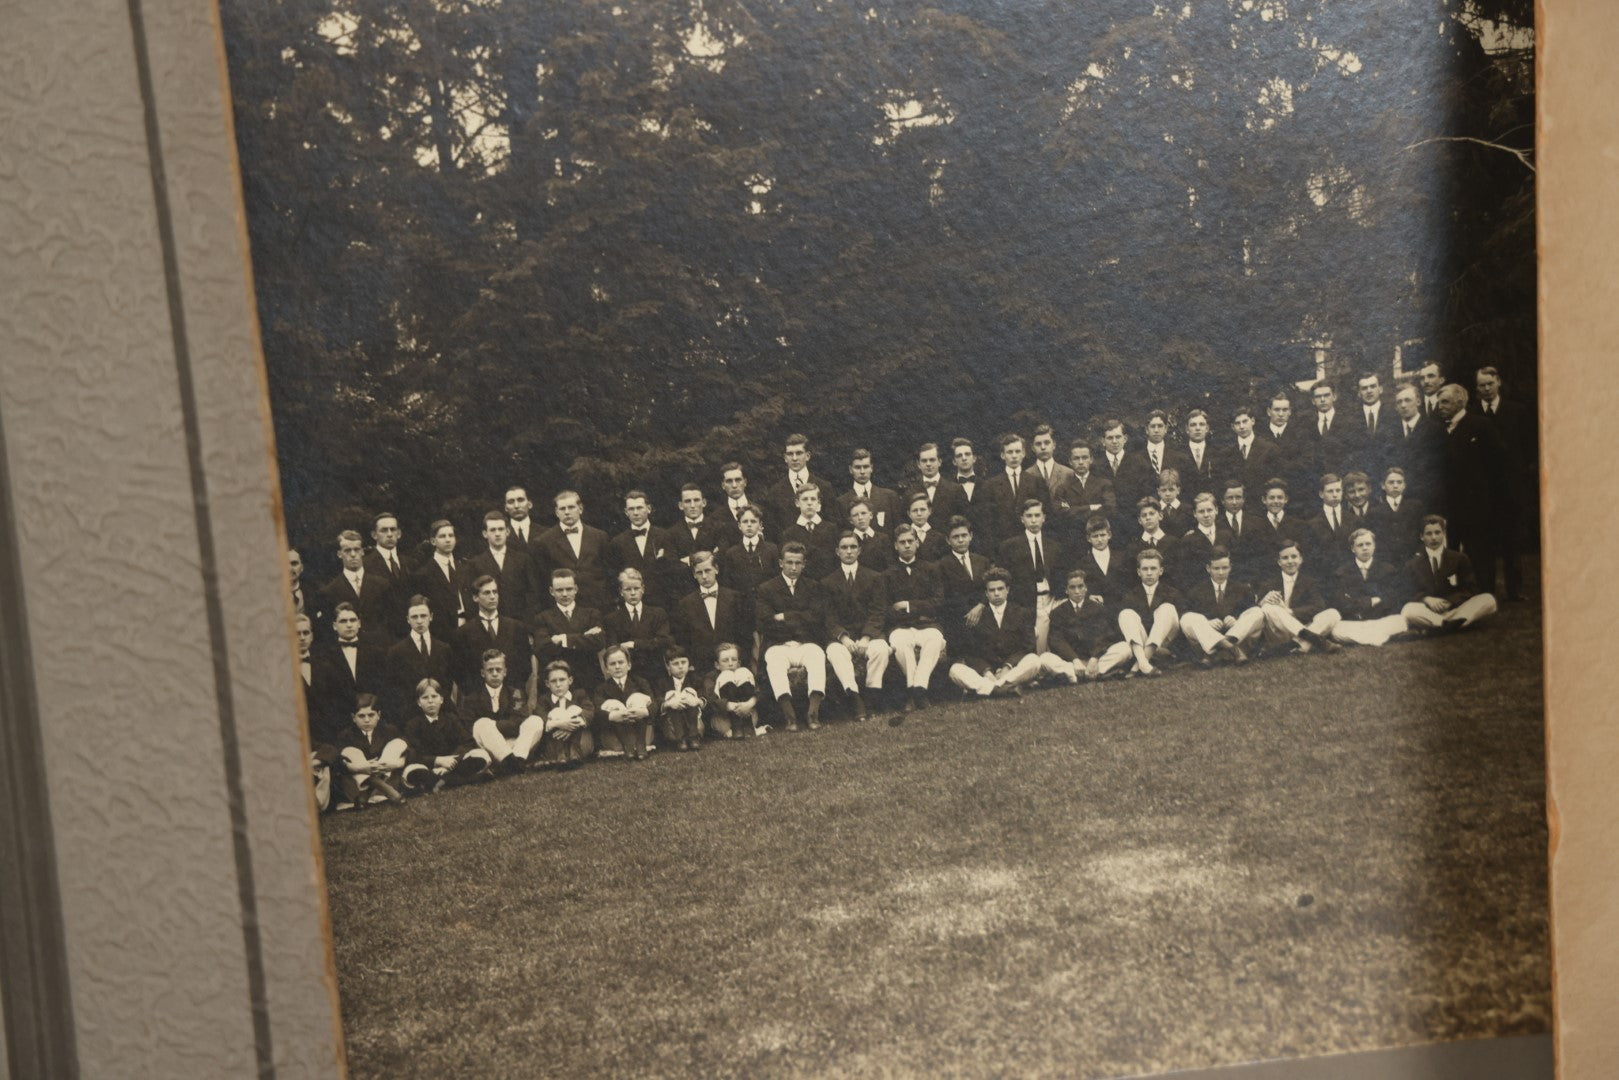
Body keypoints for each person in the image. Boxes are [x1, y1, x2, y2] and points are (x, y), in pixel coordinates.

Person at [1434, 384, 1509, 597]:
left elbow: (1498, 462)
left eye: (1445, 402)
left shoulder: (1481, 425)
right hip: (1450, 504)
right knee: (1453, 551)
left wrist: (1488, 495)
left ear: (1460, 402)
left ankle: (1486, 594)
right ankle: (1459, 594)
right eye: (1439, 402)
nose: (1440, 406)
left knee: (1480, 551)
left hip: (1477, 504)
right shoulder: (1441, 430)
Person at [755, 542, 829, 730]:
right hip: (777, 644)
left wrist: (785, 616)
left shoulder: (813, 586)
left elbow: (817, 618)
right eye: (789, 562)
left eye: (798, 563)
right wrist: (800, 620)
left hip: (806, 642)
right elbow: (765, 623)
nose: (793, 567)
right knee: (774, 662)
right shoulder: (767, 588)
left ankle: (813, 714)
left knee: (817, 656)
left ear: (804, 564)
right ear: (781, 563)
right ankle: (790, 717)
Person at [947, 568, 1052, 697]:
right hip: (987, 673)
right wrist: (986, 671)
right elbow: (970, 652)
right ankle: (1002, 689)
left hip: (1013, 669)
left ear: (1007, 590)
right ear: (986, 593)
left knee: (1034, 660)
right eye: (992, 590)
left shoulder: (1021, 613)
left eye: (1000, 589)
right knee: (955, 670)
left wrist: (1008, 666)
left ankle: (992, 688)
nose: (996, 593)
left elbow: (1029, 647)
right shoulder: (976, 616)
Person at [821, 531, 891, 719]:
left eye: (853, 547)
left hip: (869, 634)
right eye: (844, 547)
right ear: (837, 552)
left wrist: (867, 637)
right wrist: (843, 637)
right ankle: (855, 697)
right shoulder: (828, 582)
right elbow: (829, 616)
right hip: (843, 637)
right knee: (836, 653)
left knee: (881, 650)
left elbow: (878, 611)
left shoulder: (874, 577)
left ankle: (872, 695)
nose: (849, 551)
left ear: (860, 550)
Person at [883, 525, 947, 718]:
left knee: (935, 640)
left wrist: (908, 605)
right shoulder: (888, 574)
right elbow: (887, 609)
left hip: (927, 624)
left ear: (917, 543)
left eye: (910, 541)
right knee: (901, 645)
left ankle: (916, 688)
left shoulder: (931, 569)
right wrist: (917, 609)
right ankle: (917, 692)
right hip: (900, 627)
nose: (907, 545)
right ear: (895, 546)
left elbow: (938, 602)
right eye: (902, 542)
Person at [1400, 515, 1499, 631]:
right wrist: (1426, 599)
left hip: (1455, 608)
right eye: (1429, 534)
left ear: (1444, 534)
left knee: (1488, 600)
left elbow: (1471, 589)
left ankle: (1441, 625)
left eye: (1438, 533)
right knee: (1408, 609)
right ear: (1421, 537)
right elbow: (1405, 593)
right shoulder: (1413, 564)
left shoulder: (1459, 558)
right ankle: (1451, 624)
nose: (1434, 538)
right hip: (1427, 610)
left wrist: (1450, 601)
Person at [312, 602, 387, 744]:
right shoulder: (323, 657)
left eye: (353, 620)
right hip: (339, 726)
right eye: (343, 621)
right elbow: (324, 696)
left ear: (359, 623)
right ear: (334, 626)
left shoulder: (376, 653)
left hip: (371, 724)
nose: (349, 625)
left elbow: (382, 689)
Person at [399, 678, 489, 793]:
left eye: (434, 696)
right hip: (428, 766)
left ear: (441, 699)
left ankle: (441, 782)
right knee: (412, 771)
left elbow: (468, 742)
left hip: (454, 763)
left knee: (481, 755)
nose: (430, 701)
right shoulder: (413, 725)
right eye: (425, 698)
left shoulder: (451, 718)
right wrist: (437, 760)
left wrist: (451, 761)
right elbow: (413, 754)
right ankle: (465, 780)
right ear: (419, 702)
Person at [997, 499, 1063, 653]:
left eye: (1037, 515)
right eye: (1029, 516)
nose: (1033, 520)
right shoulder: (1010, 546)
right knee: (1035, 643)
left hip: (1052, 599)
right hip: (1026, 600)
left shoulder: (1054, 545)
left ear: (1044, 517)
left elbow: (1060, 574)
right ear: (1022, 519)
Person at [1177, 547, 1264, 665]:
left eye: (1225, 568)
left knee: (1257, 612)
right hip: (1207, 638)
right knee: (1187, 618)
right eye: (1216, 568)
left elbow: (1250, 611)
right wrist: (1206, 622)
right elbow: (1186, 616)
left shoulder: (1242, 589)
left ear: (1230, 567)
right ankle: (1233, 650)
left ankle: (1217, 650)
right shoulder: (1196, 591)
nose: (1221, 572)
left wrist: (1236, 619)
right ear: (1208, 568)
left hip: (1236, 636)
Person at [1254, 540, 1343, 654]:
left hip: (1303, 625)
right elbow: (1255, 611)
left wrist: (1291, 612)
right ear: (1279, 562)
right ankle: (1313, 640)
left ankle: (1297, 646)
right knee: (1268, 608)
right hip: (1279, 632)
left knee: (1332, 613)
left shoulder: (1310, 581)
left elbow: (1318, 606)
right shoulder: (1268, 583)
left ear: (1301, 559)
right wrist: (1262, 602)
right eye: (1285, 558)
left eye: (1294, 556)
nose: (1290, 561)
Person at [467, 649, 546, 774]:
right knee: (481, 724)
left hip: (514, 745)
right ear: (482, 673)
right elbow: (470, 728)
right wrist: (491, 728)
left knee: (535, 721)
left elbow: (519, 722)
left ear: (505, 672)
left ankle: (515, 762)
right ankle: (514, 765)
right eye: (490, 670)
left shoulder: (515, 693)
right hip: (489, 748)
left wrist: (494, 726)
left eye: (498, 670)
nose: (494, 674)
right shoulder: (472, 698)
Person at [454, 575, 533, 699]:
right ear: (475, 597)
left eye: (495, 592)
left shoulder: (516, 627)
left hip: (511, 697)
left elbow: (525, 665)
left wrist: (515, 689)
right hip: (478, 700)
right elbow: (460, 671)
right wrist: (476, 695)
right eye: (486, 593)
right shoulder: (464, 633)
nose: (492, 596)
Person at [1328, 529, 1410, 647]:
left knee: (1400, 621)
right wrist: (1371, 601)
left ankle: (1370, 637)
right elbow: (1342, 603)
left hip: (1380, 620)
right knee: (1336, 630)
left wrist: (1359, 603)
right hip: (1355, 622)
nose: (1365, 548)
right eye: (1360, 545)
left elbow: (1393, 598)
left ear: (1374, 546)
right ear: (1353, 549)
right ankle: (1380, 637)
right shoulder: (1342, 572)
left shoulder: (1388, 569)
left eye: (1368, 544)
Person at [1046, 569, 1133, 680]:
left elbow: (1104, 636)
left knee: (1125, 648)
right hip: (1072, 661)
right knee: (1045, 658)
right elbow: (1056, 640)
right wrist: (1075, 660)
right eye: (1072, 587)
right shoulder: (1057, 612)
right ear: (1066, 590)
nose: (1077, 591)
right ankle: (1095, 674)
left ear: (1086, 588)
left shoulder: (1097, 608)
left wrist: (1094, 658)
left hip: (1096, 659)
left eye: (1080, 586)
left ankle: (1081, 675)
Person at [534, 490, 612, 611]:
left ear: (580, 509)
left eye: (571, 507)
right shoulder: (544, 541)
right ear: (556, 512)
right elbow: (542, 579)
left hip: (597, 604)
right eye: (562, 509)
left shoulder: (599, 536)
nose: (567, 512)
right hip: (562, 607)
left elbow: (608, 572)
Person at [675, 551, 750, 675]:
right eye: (699, 572)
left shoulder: (735, 598)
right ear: (694, 575)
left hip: (732, 666)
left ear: (716, 569)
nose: (704, 576)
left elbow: (743, 634)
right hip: (701, 668)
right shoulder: (685, 603)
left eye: (708, 570)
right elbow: (683, 638)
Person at [1114, 548, 1183, 677]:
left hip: (1166, 642)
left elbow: (1179, 627)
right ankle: (1144, 664)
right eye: (1145, 569)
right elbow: (1128, 629)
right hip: (1142, 642)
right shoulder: (1130, 596)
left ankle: (1137, 666)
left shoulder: (1173, 593)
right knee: (1125, 613)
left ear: (1161, 571)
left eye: (1153, 568)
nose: (1149, 573)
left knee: (1167, 608)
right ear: (1139, 572)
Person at [385, 595, 452, 722]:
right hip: (409, 718)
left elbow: (447, 685)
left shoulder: (444, 649)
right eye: (414, 617)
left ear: (431, 616)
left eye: (423, 616)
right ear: (408, 619)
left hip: (441, 716)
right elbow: (393, 690)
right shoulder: (396, 652)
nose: (419, 621)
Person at [335, 694, 407, 808]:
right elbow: (337, 762)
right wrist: (359, 767)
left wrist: (396, 764)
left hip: (385, 773)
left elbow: (409, 752)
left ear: (378, 715)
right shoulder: (346, 736)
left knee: (398, 743)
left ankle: (367, 795)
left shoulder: (389, 730)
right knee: (350, 752)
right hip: (359, 779)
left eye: (371, 715)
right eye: (361, 716)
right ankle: (387, 791)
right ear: (353, 718)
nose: (367, 720)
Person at [322, 529, 394, 640]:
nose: (353, 554)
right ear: (339, 554)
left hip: (379, 647)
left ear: (362, 552)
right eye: (347, 550)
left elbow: (390, 621)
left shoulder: (382, 585)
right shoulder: (330, 590)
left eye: (356, 549)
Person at [531, 568, 606, 675]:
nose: (565, 594)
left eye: (569, 589)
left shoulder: (591, 614)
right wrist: (583, 638)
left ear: (576, 589)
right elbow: (541, 648)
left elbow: (599, 641)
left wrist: (563, 639)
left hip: (588, 678)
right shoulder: (542, 618)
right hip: (558, 679)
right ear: (551, 591)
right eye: (559, 590)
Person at [601, 568, 674, 677]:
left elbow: (665, 641)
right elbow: (613, 649)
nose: (633, 593)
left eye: (636, 588)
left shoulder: (657, 613)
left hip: (655, 672)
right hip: (629, 675)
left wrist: (634, 644)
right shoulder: (611, 619)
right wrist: (649, 643)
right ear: (621, 592)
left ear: (643, 589)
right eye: (628, 589)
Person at [718, 506, 779, 636]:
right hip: (742, 610)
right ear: (739, 525)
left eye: (753, 521)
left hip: (766, 607)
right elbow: (727, 584)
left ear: (760, 525)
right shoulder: (732, 553)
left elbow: (777, 579)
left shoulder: (771, 549)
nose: (749, 525)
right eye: (745, 522)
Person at [662, 483, 732, 595]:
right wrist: (707, 557)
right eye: (688, 501)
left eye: (696, 500)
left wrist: (687, 561)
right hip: (685, 592)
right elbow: (672, 565)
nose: (693, 505)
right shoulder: (671, 533)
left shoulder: (719, 527)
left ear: (704, 502)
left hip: (716, 590)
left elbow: (723, 556)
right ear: (680, 505)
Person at [466, 510, 535, 622]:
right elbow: (472, 598)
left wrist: (529, 627)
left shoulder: (523, 559)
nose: (497, 533)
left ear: (507, 531)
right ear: (485, 533)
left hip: (520, 624)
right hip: (490, 624)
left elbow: (532, 596)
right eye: (492, 530)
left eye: (501, 529)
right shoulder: (475, 563)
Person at [608, 490, 672, 609]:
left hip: (661, 603)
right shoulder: (617, 542)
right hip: (631, 605)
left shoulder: (665, 536)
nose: (636, 513)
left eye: (639, 508)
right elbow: (614, 576)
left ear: (648, 508)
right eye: (631, 509)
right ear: (626, 512)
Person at [594, 645, 656, 759]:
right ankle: (628, 747)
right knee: (613, 706)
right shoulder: (601, 688)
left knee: (638, 699)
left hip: (640, 728)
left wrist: (644, 712)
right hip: (615, 730)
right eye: (612, 664)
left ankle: (640, 745)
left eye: (621, 662)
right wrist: (612, 716)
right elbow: (597, 712)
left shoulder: (640, 682)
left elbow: (653, 704)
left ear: (629, 665)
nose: (617, 667)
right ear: (606, 668)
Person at [764, 433, 836, 528]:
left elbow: (832, 524)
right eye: (790, 454)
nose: (794, 458)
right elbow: (772, 530)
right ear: (785, 458)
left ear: (808, 456)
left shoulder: (824, 487)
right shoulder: (775, 492)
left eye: (799, 453)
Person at [1050, 443, 1116, 543]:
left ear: (1091, 460)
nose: (1081, 462)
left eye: (1085, 458)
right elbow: (1061, 513)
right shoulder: (1063, 488)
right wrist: (1090, 508)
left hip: (1098, 538)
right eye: (1076, 458)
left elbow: (1109, 508)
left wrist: (1074, 510)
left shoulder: (1103, 484)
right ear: (1070, 461)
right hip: (1074, 539)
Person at [409, 518, 468, 629]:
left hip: (468, 628)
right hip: (441, 631)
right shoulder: (423, 574)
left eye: (451, 536)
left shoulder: (465, 568)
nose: (448, 540)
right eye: (442, 536)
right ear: (433, 541)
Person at [936, 515, 992, 629]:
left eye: (964, 535)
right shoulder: (941, 565)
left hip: (984, 615)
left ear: (971, 536)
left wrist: (980, 606)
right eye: (955, 537)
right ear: (948, 540)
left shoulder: (983, 561)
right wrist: (969, 613)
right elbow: (944, 599)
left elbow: (989, 588)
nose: (961, 540)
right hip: (957, 621)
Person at [364, 512, 414, 635]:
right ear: (374, 535)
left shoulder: (410, 562)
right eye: (384, 530)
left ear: (399, 534)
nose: (390, 534)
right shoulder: (365, 565)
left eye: (393, 529)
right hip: (381, 633)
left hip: (409, 632)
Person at [537, 660, 593, 765]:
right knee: (555, 714)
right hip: (555, 740)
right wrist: (559, 724)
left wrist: (571, 725)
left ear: (570, 680)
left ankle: (574, 754)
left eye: (562, 680)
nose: (558, 684)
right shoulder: (544, 700)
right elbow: (541, 717)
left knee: (574, 711)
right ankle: (561, 755)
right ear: (547, 684)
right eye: (553, 681)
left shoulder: (579, 695)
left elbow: (589, 712)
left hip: (579, 739)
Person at [780, 483, 838, 580]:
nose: (809, 503)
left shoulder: (831, 529)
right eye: (805, 499)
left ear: (819, 502)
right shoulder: (789, 533)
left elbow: (835, 560)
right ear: (797, 503)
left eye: (813, 499)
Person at [1177, 492, 1233, 589]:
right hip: (1200, 591)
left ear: (1216, 510)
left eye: (1209, 510)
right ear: (1195, 514)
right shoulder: (1188, 540)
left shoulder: (1226, 535)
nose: (1206, 515)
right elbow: (1185, 574)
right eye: (1201, 511)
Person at [653, 645, 705, 750]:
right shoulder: (662, 683)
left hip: (694, 720)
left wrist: (697, 701)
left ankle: (694, 737)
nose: (680, 667)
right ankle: (680, 740)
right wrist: (668, 704)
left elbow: (705, 695)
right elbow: (657, 701)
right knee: (673, 698)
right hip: (672, 721)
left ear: (688, 663)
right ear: (668, 666)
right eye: (675, 664)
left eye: (683, 662)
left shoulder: (695, 679)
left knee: (689, 695)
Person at [836, 448, 902, 530]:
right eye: (857, 467)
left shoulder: (889, 497)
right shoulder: (842, 502)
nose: (862, 471)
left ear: (871, 468)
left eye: (866, 467)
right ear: (850, 469)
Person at [705, 642, 761, 738]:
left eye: (734, 660)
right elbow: (710, 699)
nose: (730, 664)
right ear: (717, 665)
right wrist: (732, 706)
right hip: (724, 717)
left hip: (747, 712)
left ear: (739, 663)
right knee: (726, 675)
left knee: (743, 672)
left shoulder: (744, 673)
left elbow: (759, 692)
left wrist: (748, 704)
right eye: (725, 661)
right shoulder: (711, 677)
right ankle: (736, 727)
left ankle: (747, 726)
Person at [1221, 405, 1280, 497]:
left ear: (1253, 421)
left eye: (1245, 421)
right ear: (1232, 427)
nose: (1242, 426)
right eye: (1237, 423)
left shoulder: (1269, 448)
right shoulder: (1227, 452)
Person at [1369, 466, 1425, 559]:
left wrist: (1419, 553)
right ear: (1383, 485)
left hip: (1412, 558)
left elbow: (1422, 531)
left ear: (1404, 485)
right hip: (1386, 561)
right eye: (1391, 482)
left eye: (1399, 482)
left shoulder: (1415, 507)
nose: (1395, 485)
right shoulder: (1374, 511)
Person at [908, 441, 966, 527]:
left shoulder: (956, 490)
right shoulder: (910, 493)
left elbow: (963, 521)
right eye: (924, 461)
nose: (928, 464)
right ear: (918, 464)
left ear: (939, 462)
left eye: (932, 460)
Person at [1074, 514, 1128, 605]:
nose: (1099, 539)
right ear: (1088, 538)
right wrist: (1088, 596)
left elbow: (1128, 585)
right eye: (1095, 536)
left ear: (1109, 535)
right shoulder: (1082, 563)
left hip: (1120, 606)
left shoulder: (1122, 557)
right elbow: (1079, 588)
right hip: (1095, 610)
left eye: (1102, 535)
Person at [902, 490, 949, 562]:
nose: (919, 514)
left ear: (929, 511)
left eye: (923, 509)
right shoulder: (903, 536)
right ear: (909, 513)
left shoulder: (939, 537)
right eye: (915, 510)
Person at [845, 499, 892, 571]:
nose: (860, 518)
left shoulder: (883, 539)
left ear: (871, 515)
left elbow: (889, 566)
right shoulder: (847, 540)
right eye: (855, 515)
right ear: (850, 520)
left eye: (863, 513)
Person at [1029, 424, 1075, 493]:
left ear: (1054, 445)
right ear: (1033, 448)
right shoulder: (1026, 475)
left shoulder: (1069, 474)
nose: (1043, 447)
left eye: (1047, 443)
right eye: (1038, 444)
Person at [1179, 410, 1218, 488]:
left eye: (1202, 424)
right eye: (1193, 425)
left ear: (1207, 428)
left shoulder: (1216, 452)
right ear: (1187, 429)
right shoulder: (1178, 452)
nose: (1197, 428)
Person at [718, 462, 757, 536]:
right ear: (723, 485)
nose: (734, 485)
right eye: (729, 481)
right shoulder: (716, 518)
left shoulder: (761, 511)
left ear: (745, 482)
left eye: (738, 480)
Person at [1155, 470, 1189, 537]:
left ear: (1178, 490)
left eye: (1171, 490)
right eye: (1164, 490)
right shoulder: (1155, 510)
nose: (1167, 494)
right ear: (1158, 491)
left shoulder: (1187, 509)